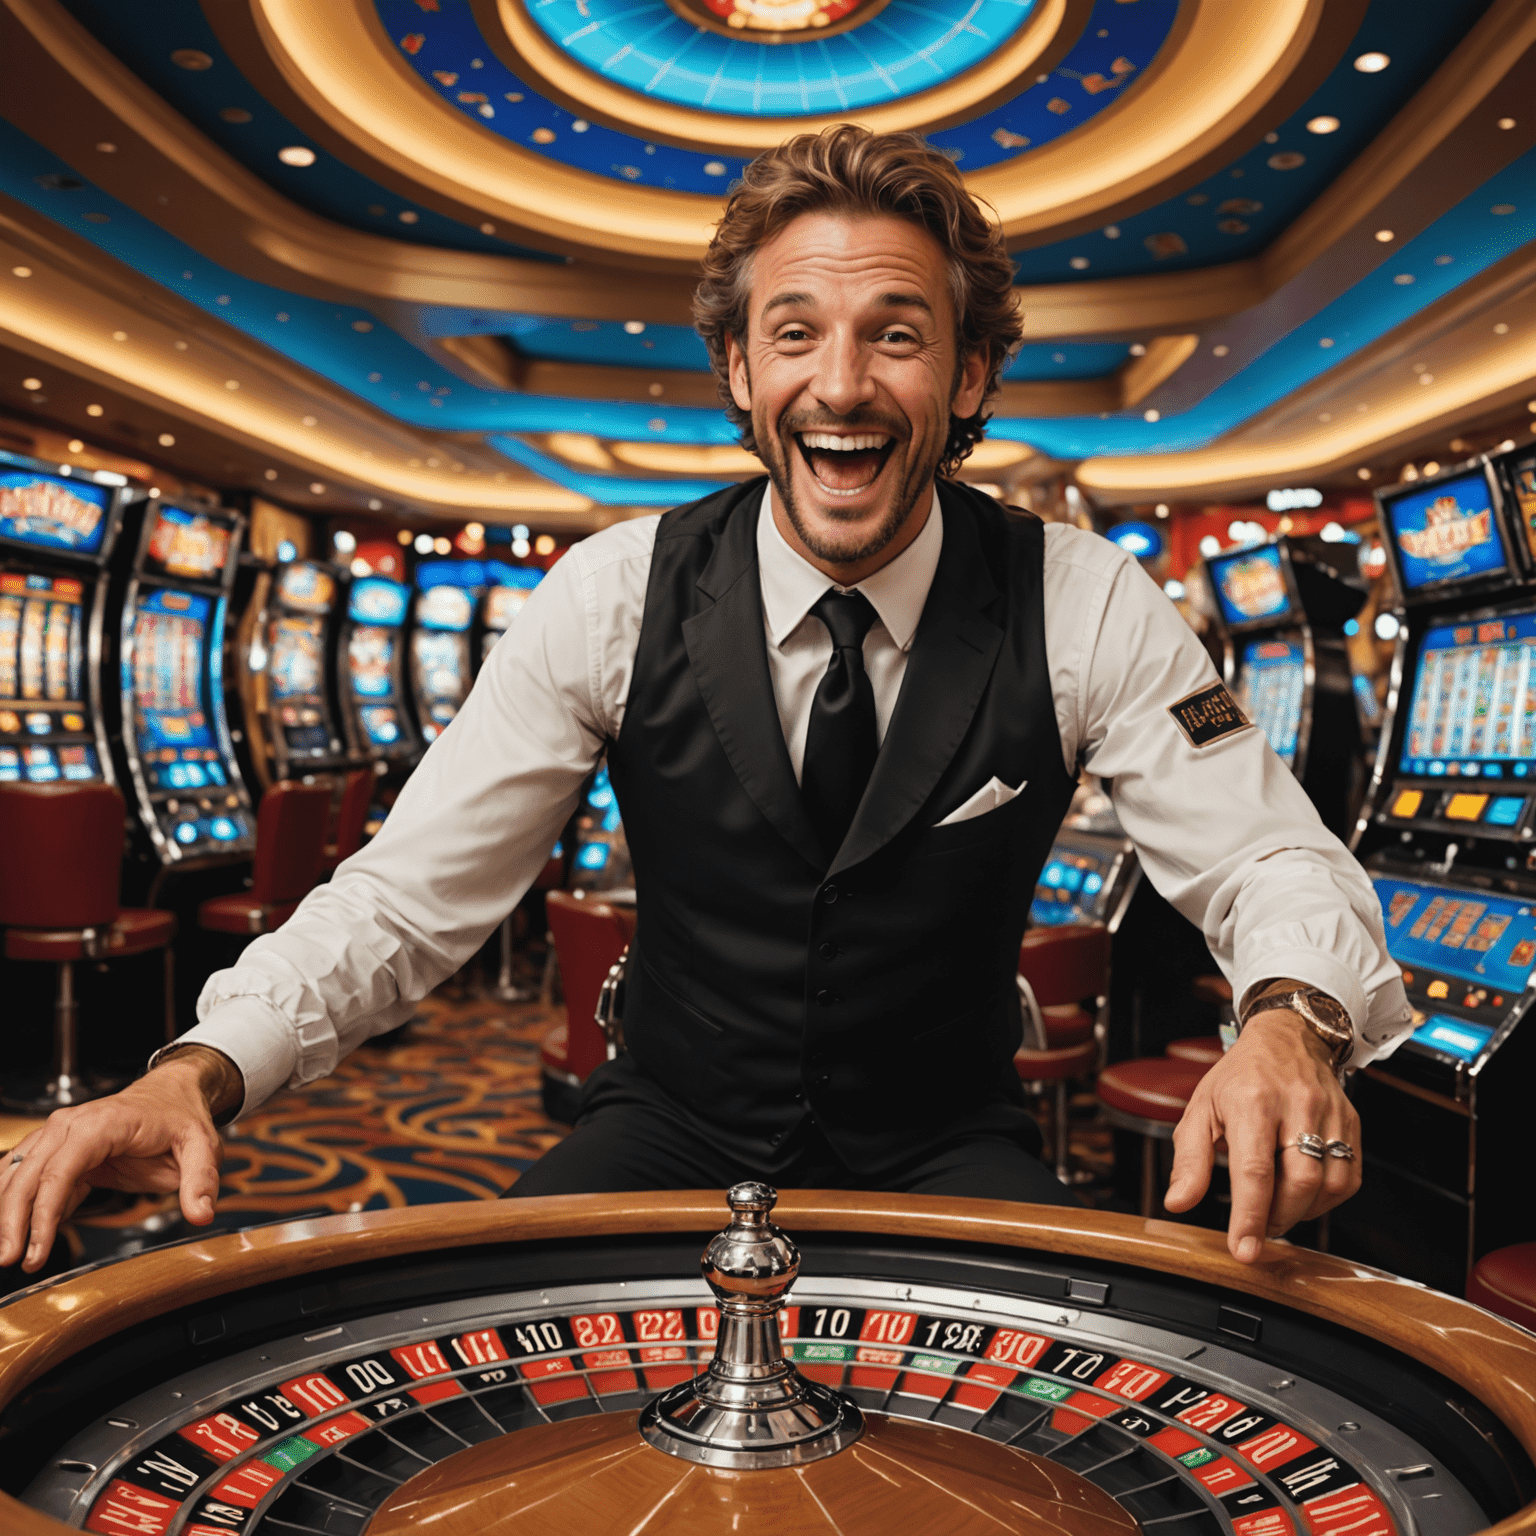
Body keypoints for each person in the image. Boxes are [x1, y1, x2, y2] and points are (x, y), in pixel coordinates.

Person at [0, 127, 1409, 1275]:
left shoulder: (1086, 599)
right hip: (665, 1121)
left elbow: (1272, 853)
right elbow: (407, 899)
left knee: (1065, 1454)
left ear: (973, 373)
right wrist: (198, 1064)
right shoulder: (612, 592)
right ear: (739, 369)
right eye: (793, 334)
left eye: (898, 335)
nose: (840, 384)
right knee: (482, 1390)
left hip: (945, 1135)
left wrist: (1288, 1016)